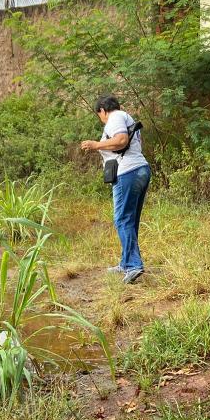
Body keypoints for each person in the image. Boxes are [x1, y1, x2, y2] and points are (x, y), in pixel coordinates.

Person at [81, 95, 151, 284]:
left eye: (99, 116)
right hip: (140, 170)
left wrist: (96, 144)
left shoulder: (115, 117)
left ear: (103, 110)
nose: (101, 119)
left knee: (122, 219)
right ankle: (126, 262)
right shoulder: (125, 117)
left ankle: (134, 265)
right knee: (130, 220)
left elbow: (120, 140)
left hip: (128, 172)